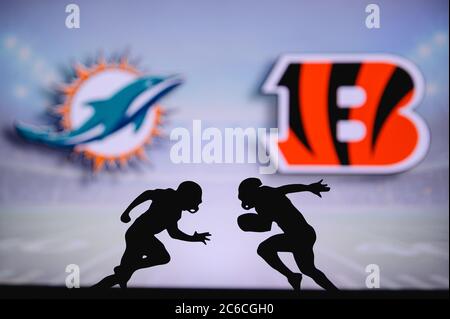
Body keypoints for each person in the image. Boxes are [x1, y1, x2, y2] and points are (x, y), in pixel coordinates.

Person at [93, 181, 211, 288]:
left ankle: (97, 289)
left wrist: (127, 211)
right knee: (162, 257)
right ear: (186, 197)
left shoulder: (174, 208)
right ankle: (129, 268)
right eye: (193, 201)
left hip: (140, 235)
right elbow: (147, 194)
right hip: (139, 235)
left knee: (122, 276)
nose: (193, 206)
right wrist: (127, 211)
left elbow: (173, 233)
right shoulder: (168, 198)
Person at [237, 177, 338, 291]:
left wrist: (247, 223)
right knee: (308, 269)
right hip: (302, 234)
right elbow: (267, 225)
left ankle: (292, 276)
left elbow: (266, 225)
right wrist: (308, 187)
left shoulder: (264, 195)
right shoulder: (263, 200)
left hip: (298, 235)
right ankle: (334, 292)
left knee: (264, 249)